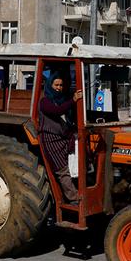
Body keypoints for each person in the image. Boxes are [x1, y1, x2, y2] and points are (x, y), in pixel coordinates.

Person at [38, 72, 83, 204]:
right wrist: (73, 100)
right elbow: (57, 111)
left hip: (64, 138)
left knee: (76, 165)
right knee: (63, 171)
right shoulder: (45, 102)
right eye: (56, 85)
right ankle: (73, 198)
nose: (59, 87)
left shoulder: (62, 100)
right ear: (50, 85)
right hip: (51, 140)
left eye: (61, 85)